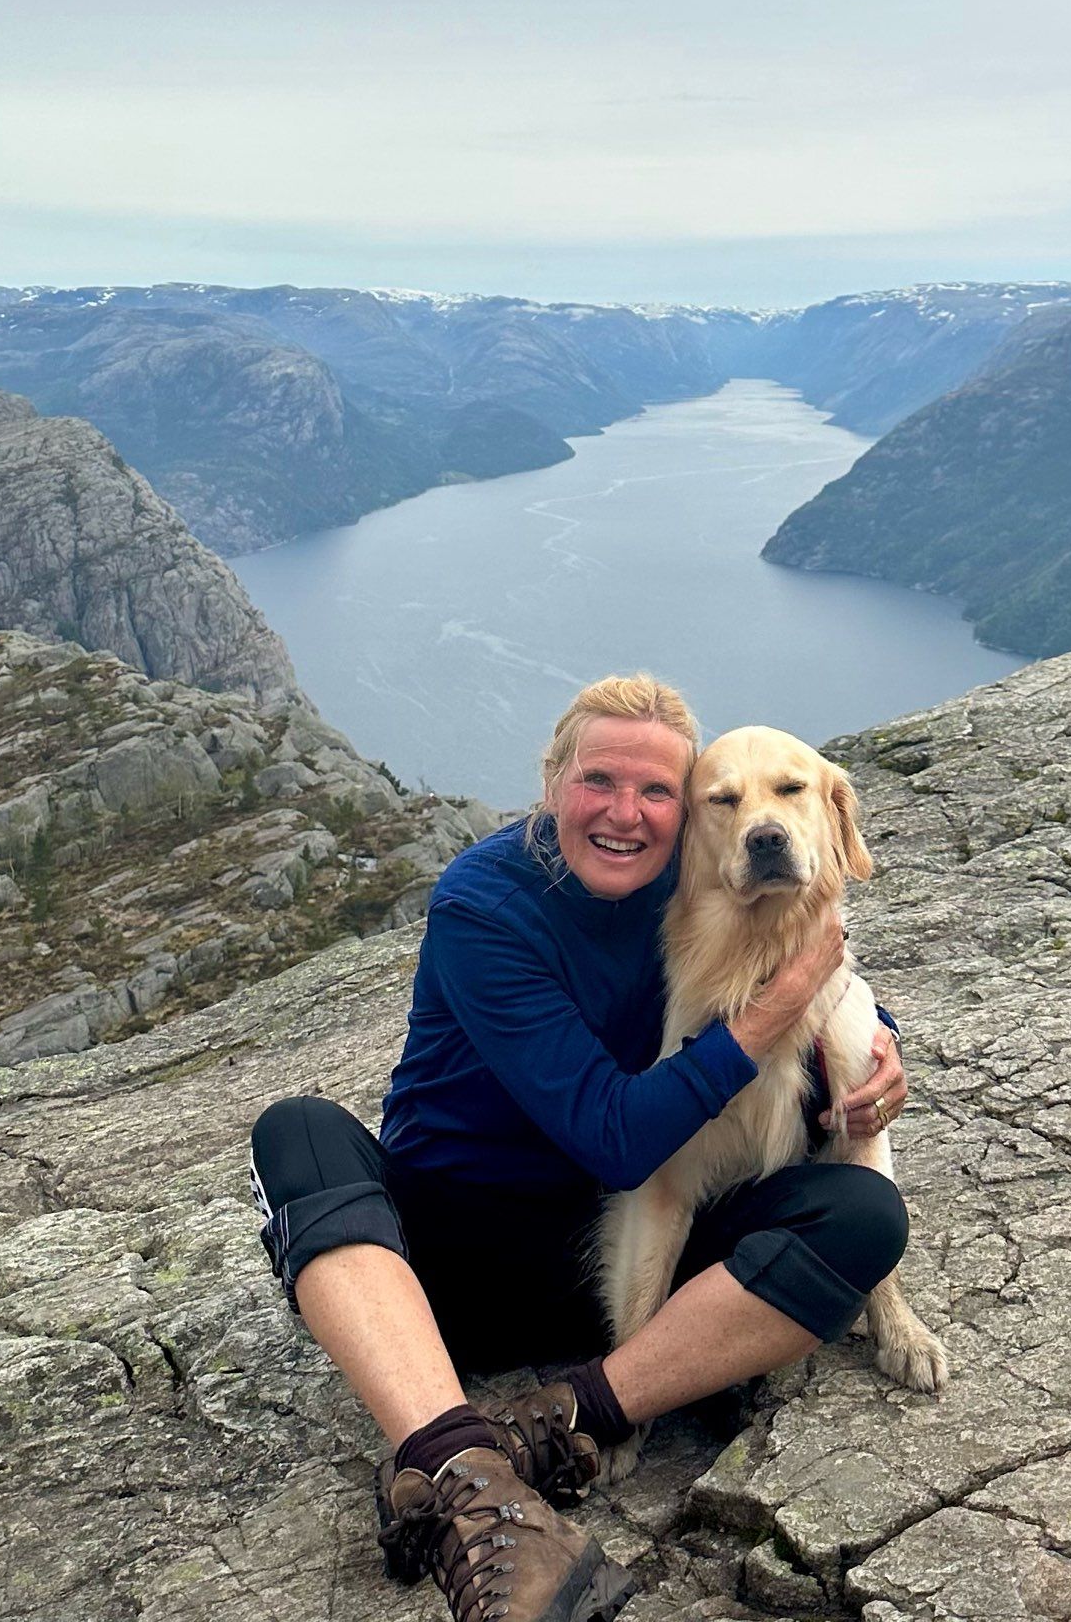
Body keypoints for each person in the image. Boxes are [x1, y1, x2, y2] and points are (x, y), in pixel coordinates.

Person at [250, 674, 910, 1622]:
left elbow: (802, 954)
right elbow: (615, 1139)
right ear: (552, 782)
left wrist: (878, 1036)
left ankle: (557, 1423)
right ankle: (469, 1480)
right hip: (460, 1259)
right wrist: (777, 1012)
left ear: (685, 821)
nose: (626, 816)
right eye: (599, 781)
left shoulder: (686, 887)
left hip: (640, 1263)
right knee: (298, 1133)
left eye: (656, 796)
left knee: (862, 1216)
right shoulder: (487, 903)